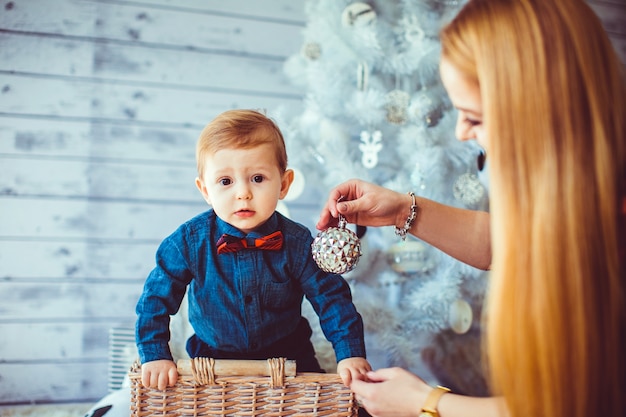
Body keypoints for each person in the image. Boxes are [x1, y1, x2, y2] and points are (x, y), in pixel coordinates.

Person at [316, 0, 626, 416]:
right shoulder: (585, 201)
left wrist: (426, 404)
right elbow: (505, 241)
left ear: (539, 112)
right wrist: (400, 210)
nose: (462, 132)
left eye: (475, 118)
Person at [136, 109, 371, 391]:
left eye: (258, 178)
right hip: (213, 358)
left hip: (290, 355)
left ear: (284, 184)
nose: (243, 193)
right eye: (225, 181)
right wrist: (155, 355)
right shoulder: (189, 241)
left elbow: (332, 298)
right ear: (205, 191)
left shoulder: (297, 243)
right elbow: (155, 298)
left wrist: (350, 353)